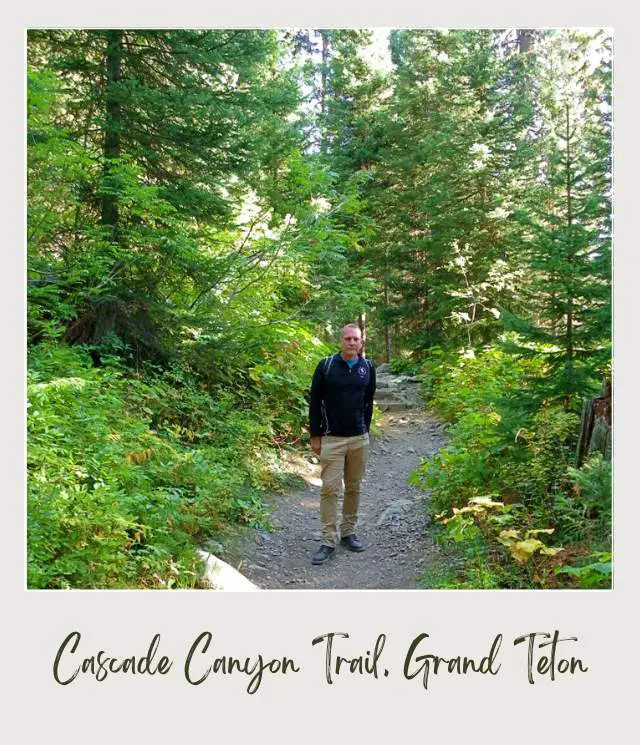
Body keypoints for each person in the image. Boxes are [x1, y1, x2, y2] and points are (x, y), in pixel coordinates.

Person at [308, 324, 376, 565]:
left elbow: (368, 402)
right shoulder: (326, 366)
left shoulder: (367, 367)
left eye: (355, 339)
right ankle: (328, 539)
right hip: (332, 439)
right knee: (329, 489)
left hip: (359, 439)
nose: (351, 342)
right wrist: (315, 435)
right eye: (347, 338)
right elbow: (315, 402)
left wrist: (364, 430)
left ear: (361, 342)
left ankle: (348, 532)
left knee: (354, 487)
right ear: (341, 341)